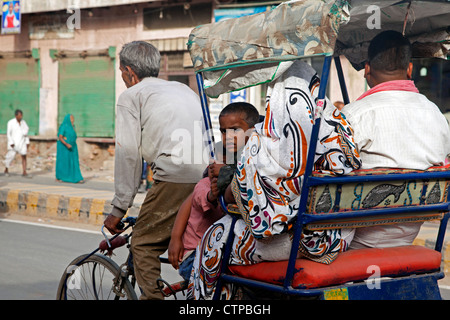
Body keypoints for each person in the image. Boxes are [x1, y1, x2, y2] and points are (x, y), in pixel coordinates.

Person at [187, 60, 362, 300]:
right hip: (338, 237)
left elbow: (240, 201)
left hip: (296, 241)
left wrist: (231, 178)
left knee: (215, 236)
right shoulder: (336, 129)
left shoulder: (266, 144)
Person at [103, 41, 206, 300]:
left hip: (175, 177)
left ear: (129, 71)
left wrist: (118, 208)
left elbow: (128, 155)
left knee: (143, 243)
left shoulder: (131, 96)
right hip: (206, 179)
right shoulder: (183, 89)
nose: (123, 78)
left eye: (121, 72)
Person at [340, 30, 450, 249]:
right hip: (409, 233)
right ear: (409, 69)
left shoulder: (352, 115)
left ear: (367, 69)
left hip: (356, 240)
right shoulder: (436, 114)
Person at [168, 102, 260, 282]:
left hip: (224, 247)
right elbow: (196, 197)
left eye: (234, 130)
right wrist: (175, 238)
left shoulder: (256, 158)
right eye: (223, 131)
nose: (227, 137)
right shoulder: (208, 182)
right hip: (198, 253)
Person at [55, 114, 84, 183]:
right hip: (64, 147)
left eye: (73, 118)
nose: (72, 120)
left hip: (73, 147)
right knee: (64, 162)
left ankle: (77, 177)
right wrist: (66, 144)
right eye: (71, 119)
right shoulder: (63, 126)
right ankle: (61, 177)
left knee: (74, 162)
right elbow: (60, 137)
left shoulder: (73, 127)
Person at [4, 109, 30, 177]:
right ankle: (6, 169)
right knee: (10, 157)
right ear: (16, 115)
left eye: (21, 115)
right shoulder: (11, 122)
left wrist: (27, 141)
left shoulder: (23, 122)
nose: (20, 117)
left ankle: (24, 171)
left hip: (22, 142)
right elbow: (8, 134)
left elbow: (26, 133)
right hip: (14, 143)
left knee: (24, 156)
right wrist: (11, 142)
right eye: (19, 115)